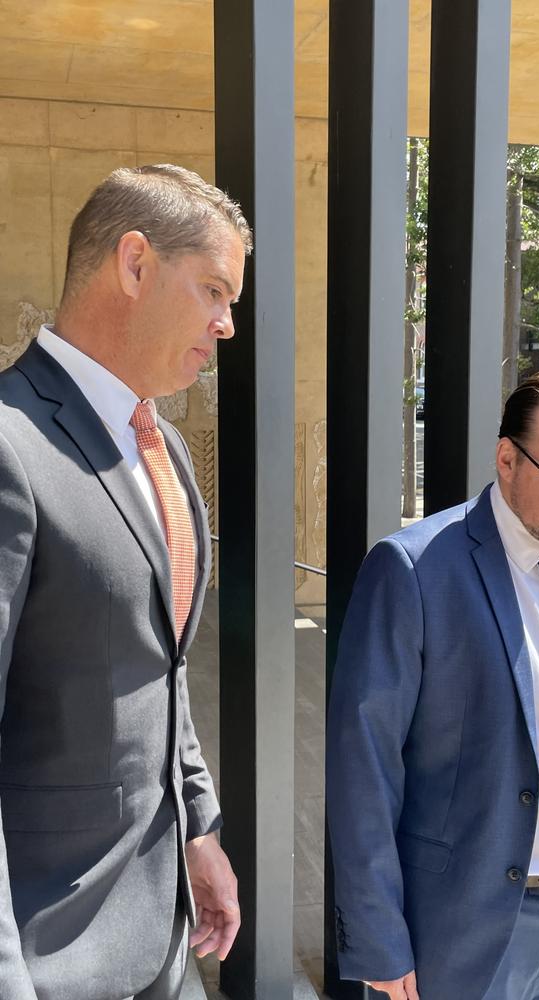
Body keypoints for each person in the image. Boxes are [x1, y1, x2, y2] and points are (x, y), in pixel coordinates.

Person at [0, 164, 251, 1000]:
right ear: (135, 264)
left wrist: (199, 829)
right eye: (215, 291)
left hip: (166, 939)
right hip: (52, 958)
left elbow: (161, 671)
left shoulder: (165, 449)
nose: (226, 324)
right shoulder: (10, 446)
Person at [326, 368, 539, 1000]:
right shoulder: (413, 571)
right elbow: (363, 769)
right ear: (506, 459)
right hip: (452, 934)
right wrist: (379, 941)